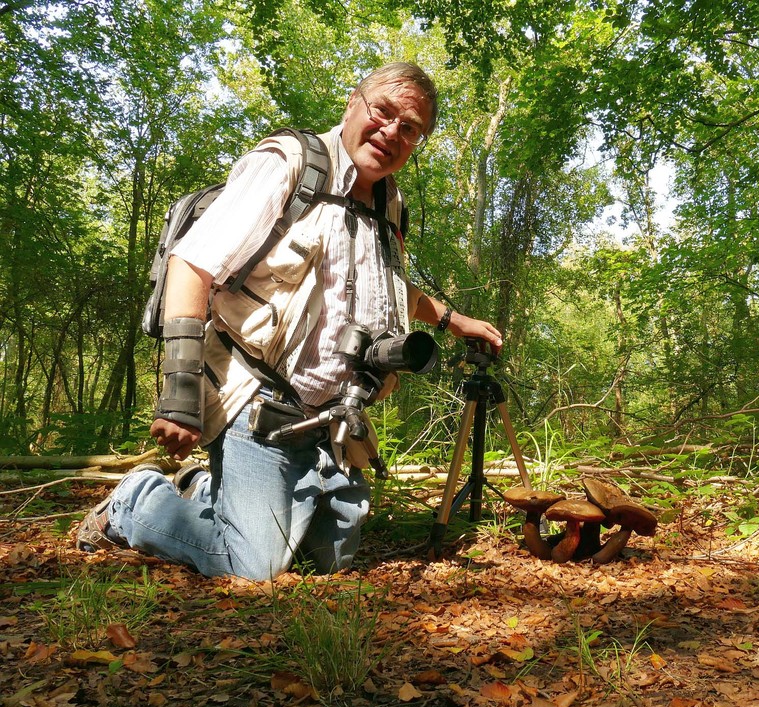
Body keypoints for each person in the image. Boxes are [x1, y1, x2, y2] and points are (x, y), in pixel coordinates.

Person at [75, 62, 503, 580]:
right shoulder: (289, 166)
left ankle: (212, 489)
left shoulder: (390, 203)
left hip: (335, 420)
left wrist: (453, 319)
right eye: (383, 112)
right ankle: (136, 500)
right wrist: (180, 395)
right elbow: (192, 264)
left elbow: (389, 289)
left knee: (329, 561)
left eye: (409, 128)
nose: (391, 132)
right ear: (353, 103)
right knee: (253, 564)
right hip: (258, 403)